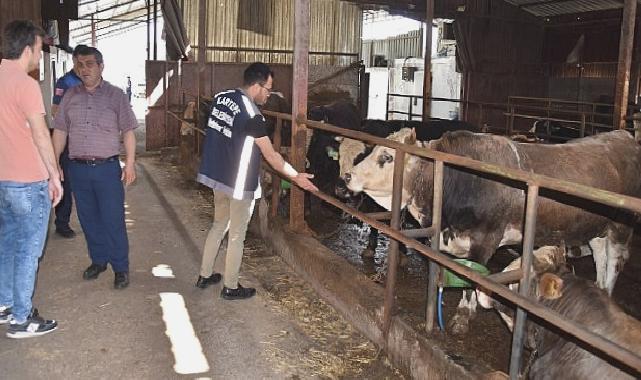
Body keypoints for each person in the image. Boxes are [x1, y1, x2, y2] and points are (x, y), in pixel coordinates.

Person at [196, 62, 318, 300]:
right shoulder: (253, 115)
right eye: (268, 89)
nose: (269, 95)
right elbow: (271, 156)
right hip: (239, 183)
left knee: (218, 225)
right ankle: (230, 286)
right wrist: (296, 177)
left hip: (217, 177)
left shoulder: (221, 98)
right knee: (236, 235)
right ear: (257, 85)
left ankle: (204, 274)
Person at [52, 46, 137, 290]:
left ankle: (120, 267)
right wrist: (55, 162)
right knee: (88, 218)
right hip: (77, 168)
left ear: (101, 66)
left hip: (107, 169)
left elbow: (128, 131)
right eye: (80, 64)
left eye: (89, 64)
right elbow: (60, 131)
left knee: (113, 219)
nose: (84, 69)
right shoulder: (70, 95)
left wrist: (129, 163)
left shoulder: (116, 95)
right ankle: (98, 261)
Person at [0, 19, 62, 338]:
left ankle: (5, 303)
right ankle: (21, 319)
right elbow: (41, 135)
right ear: (27, 49)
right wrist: (54, 175)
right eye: (38, 50)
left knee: (8, 242)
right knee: (29, 249)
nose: (39, 56)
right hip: (27, 181)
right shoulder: (26, 85)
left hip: (3, 181)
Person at [50, 44, 87, 239]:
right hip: (68, 138)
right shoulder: (65, 82)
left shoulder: (91, 81)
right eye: (80, 62)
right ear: (73, 61)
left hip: (87, 140)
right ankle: (62, 223)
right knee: (66, 181)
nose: (83, 67)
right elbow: (55, 109)